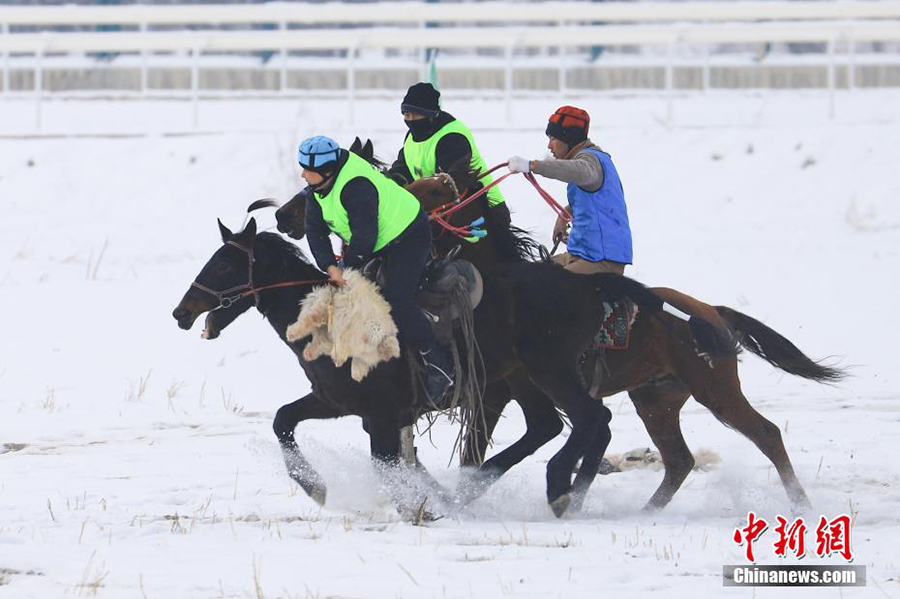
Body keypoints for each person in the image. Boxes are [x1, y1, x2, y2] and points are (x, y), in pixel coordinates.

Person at [299, 135, 453, 402]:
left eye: (308, 171)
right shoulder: (317, 188)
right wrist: (329, 266)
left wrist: (345, 268)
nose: (302, 175)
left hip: (408, 236)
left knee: (396, 300)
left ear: (327, 172)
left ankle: (439, 364)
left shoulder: (356, 186)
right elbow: (314, 230)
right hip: (376, 241)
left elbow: (364, 237)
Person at [507, 106, 632, 275]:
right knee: (527, 276)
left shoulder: (590, 160)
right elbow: (595, 203)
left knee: (543, 287)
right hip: (580, 255)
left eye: (553, 138)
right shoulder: (593, 159)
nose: (549, 146)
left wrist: (533, 165)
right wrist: (563, 215)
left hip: (601, 260)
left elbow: (579, 171)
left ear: (569, 140)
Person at [386, 82, 512, 229]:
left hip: (483, 210)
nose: (411, 120)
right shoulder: (411, 137)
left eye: (417, 114)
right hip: (439, 209)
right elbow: (403, 168)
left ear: (431, 115)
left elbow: (451, 186)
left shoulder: (451, 137)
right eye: (407, 114)